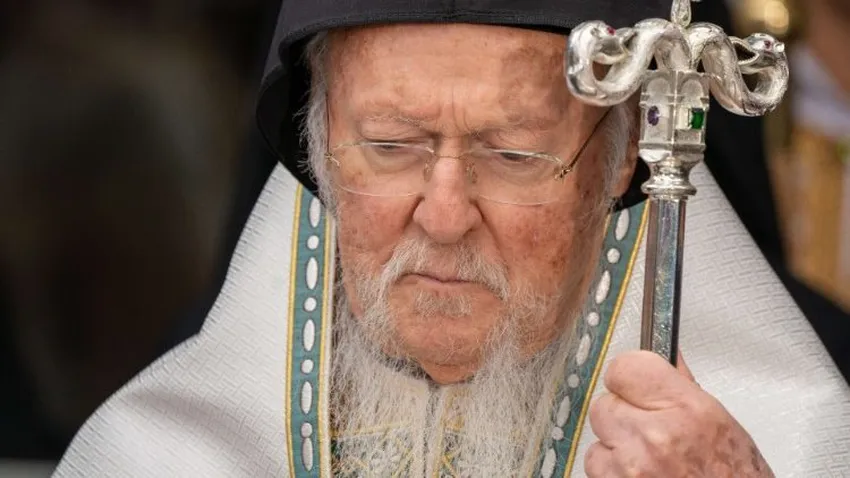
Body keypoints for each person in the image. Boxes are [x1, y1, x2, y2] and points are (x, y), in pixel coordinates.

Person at [53, 0, 850, 476]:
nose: (442, 216)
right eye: (390, 145)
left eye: (513, 155)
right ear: (317, 143)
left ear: (620, 160)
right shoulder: (168, 454)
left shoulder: (769, 443)